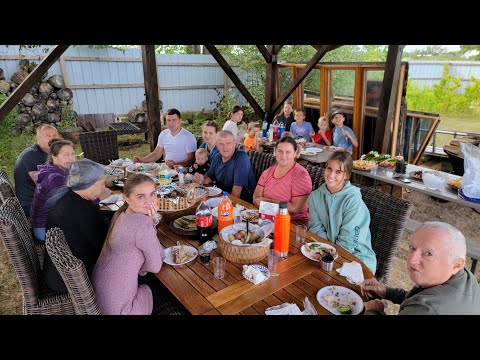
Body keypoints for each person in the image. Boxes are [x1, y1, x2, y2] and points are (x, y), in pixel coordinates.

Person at [361, 222, 480, 315]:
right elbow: (420, 299)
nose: (411, 260)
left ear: (456, 265)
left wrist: (373, 311)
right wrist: (386, 291)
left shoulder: (428, 310)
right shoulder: (465, 277)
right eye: (412, 247)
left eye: (428, 253)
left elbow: (425, 306)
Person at [92, 174, 168, 315]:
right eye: (141, 196)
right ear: (126, 198)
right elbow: (155, 266)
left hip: (101, 301)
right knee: (173, 288)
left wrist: (151, 220)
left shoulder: (121, 216)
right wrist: (150, 221)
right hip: (123, 310)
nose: (150, 201)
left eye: (152, 194)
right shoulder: (142, 223)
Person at [42, 159, 111, 293]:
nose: (104, 188)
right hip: (72, 280)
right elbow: (105, 243)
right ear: (88, 184)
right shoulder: (80, 210)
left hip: (58, 270)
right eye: (102, 183)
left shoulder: (70, 195)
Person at [308, 151, 377, 274]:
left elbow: (348, 241)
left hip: (356, 257)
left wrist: (330, 256)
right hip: (325, 253)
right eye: (329, 169)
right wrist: (326, 251)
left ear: (346, 175)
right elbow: (315, 228)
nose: (331, 175)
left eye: (338, 172)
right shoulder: (315, 196)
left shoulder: (353, 201)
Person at [253, 137, 312, 226]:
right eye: (280, 151)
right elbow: (256, 198)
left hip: (292, 223)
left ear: (295, 153)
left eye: (288, 152)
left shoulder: (301, 175)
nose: (283, 155)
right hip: (267, 219)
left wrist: (267, 201)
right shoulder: (268, 172)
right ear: (275, 152)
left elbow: (297, 208)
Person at [30, 139, 76, 241]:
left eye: (73, 154)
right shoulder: (55, 178)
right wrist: (97, 198)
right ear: (54, 157)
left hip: (46, 223)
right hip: (46, 229)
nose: (72, 159)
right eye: (66, 155)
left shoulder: (56, 170)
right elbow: (68, 208)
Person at [193, 130, 256, 202]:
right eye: (221, 144)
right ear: (216, 145)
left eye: (228, 143)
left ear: (234, 143)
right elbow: (209, 177)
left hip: (242, 203)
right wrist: (201, 178)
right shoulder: (217, 157)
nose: (225, 148)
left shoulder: (241, 157)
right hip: (222, 197)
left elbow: (237, 192)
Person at [14, 124, 58, 217]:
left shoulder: (49, 153)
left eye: (55, 136)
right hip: (31, 205)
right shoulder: (31, 155)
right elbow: (44, 186)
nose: (52, 139)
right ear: (38, 138)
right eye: (48, 136)